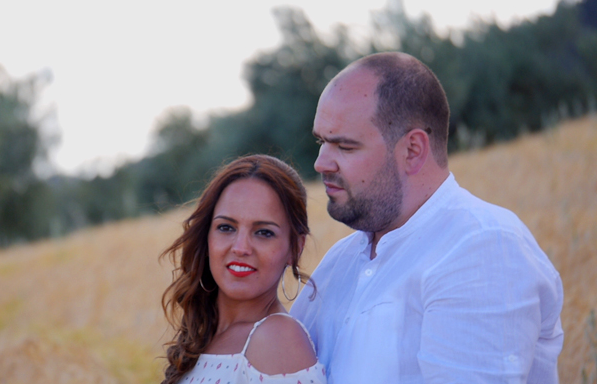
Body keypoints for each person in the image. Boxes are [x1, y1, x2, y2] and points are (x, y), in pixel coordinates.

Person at [290, 51, 564, 383]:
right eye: (321, 141)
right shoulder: (340, 261)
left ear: (413, 150)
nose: (321, 163)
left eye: (344, 147)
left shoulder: (482, 248)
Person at [160, 154, 327, 384]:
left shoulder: (278, 339)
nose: (240, 248)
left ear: (295, 248)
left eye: (264, 232)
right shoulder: (203, 335)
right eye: (226, 227)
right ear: (206, 236)